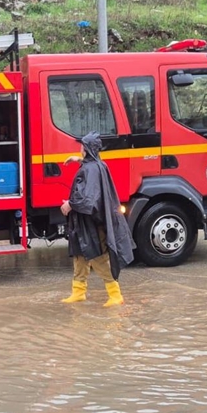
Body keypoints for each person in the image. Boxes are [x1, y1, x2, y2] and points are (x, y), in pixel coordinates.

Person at [60, 131, 135, 307]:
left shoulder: (89, 169)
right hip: (83, 222)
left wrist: (69, 205)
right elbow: (92, 168)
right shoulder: (99, 165)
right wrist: (77, 159)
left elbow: (87, 199)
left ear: (86, 149)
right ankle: (78, 292)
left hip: (90, 223)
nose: (79, 149)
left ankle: (115, 295)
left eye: (82, 146)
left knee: (97, 257)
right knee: (80, 256)